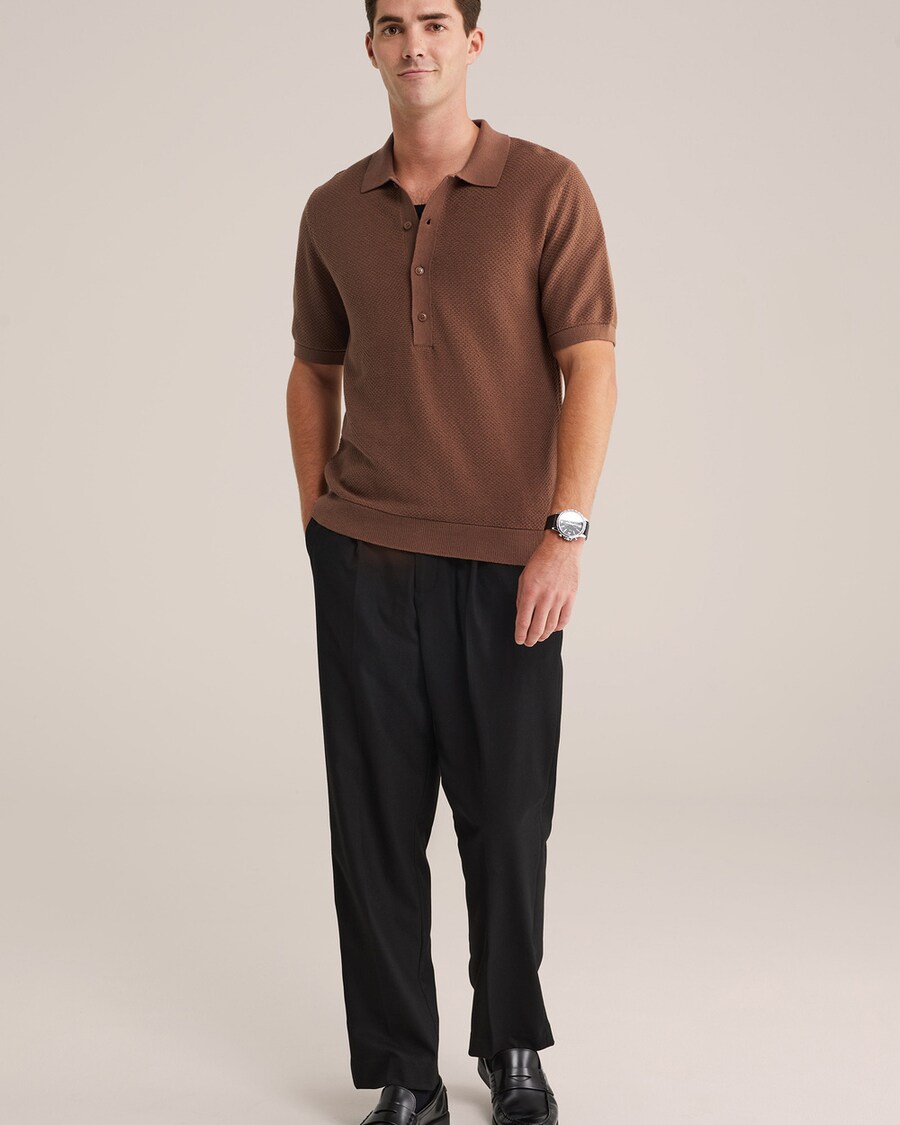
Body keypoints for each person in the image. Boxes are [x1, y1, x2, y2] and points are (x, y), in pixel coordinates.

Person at [286, 2, 617, 1122]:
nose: (413, 43)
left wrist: (564, 532)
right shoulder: (332, 208)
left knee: (507, 821)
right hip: (364, 563)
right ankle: (405, 1073)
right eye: (392, 25)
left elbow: (591, 364)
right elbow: (312, 368)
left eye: (436, 20)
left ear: (474, 42)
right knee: (373, 828)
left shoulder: (546, 188)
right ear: (370, 47)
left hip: (506, 567)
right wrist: (316, 518)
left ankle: (512, 1044)